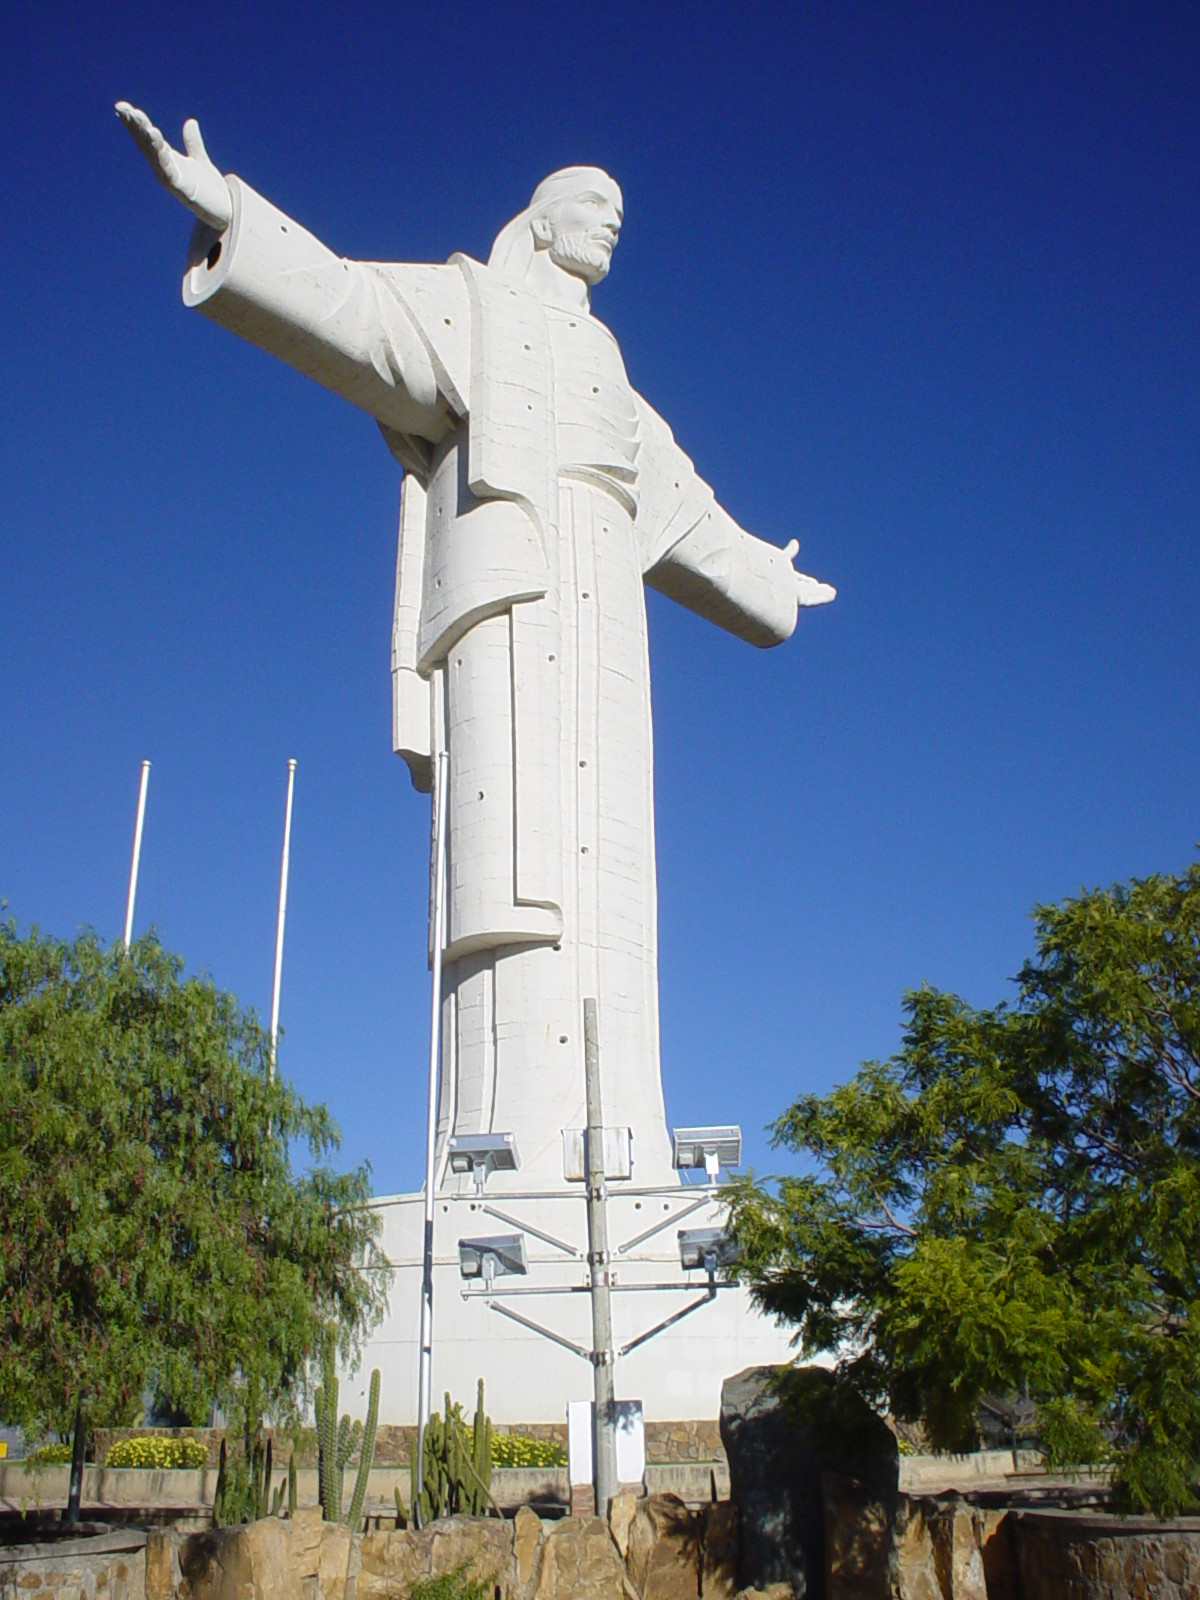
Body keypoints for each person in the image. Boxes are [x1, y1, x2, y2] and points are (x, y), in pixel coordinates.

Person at [117, 105, 835, 1187]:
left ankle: (630, 1157)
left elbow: (687, 513)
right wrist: (233, 213)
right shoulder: (473, 307)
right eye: (595, 206)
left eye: (621, 214)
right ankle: (500, 1166)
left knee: (614, 902)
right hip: (510, 615)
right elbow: (357, 309)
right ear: (541, 226)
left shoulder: (613, 373)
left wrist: (771, 582)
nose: (613, 224)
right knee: (512, 883)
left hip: (609, 629)